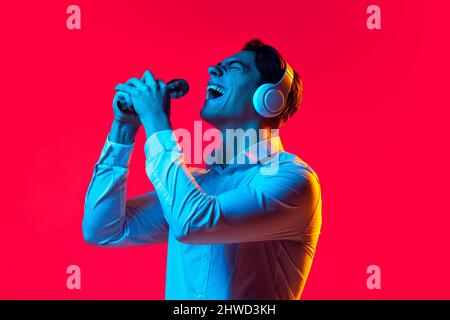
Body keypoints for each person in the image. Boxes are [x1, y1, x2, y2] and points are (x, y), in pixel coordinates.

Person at [83, 39, 322, 300]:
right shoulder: (195, 186)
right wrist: (123, 130)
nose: (212, 70)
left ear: (268, 98)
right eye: (218, 65)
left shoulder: (294, 180)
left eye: (234, 67)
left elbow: (193, 222)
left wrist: (155, 121)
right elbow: (103, 230)